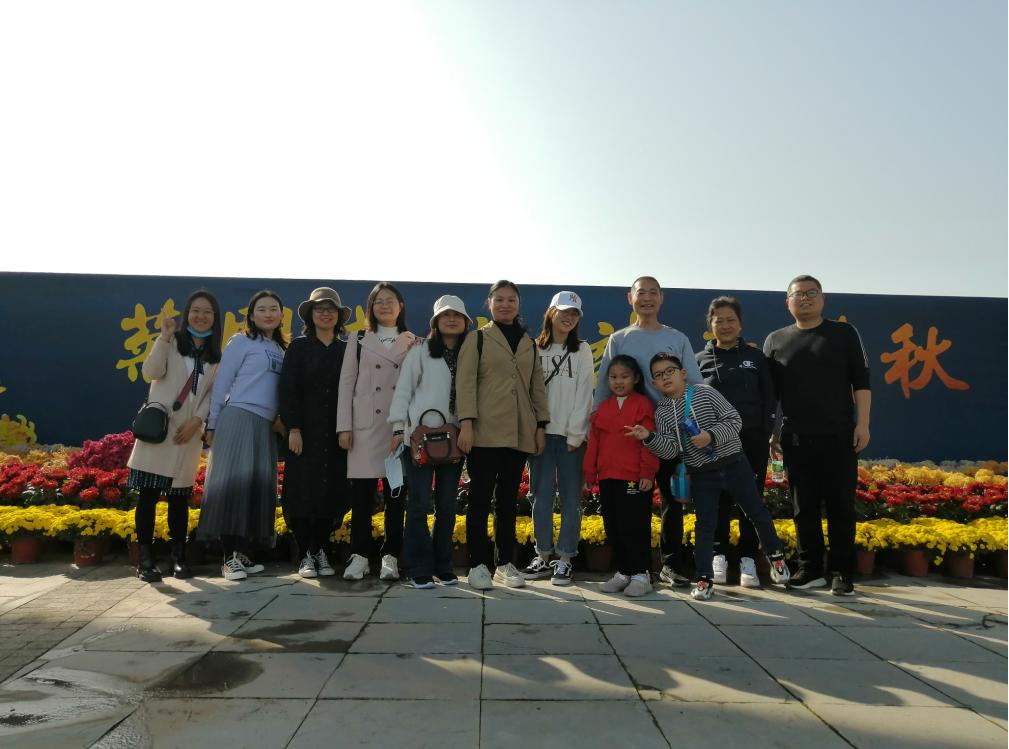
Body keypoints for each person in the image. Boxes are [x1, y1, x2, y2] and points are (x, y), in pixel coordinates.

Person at [627, 353, 791, 601]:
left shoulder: (705, 393)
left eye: (670, 371)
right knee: (704, 527)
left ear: (683, 373)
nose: (665, 377)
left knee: (756, 512)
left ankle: (776, 557)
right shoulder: (661, 413)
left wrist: (710, 436)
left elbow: (734, 420)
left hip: (734, 463)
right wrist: (648, 437)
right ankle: (704, 579)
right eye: (659, 375)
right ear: (654, 384)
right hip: (702, 474)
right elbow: (671, 450)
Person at [763, 275, 871, 596]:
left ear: (823, 299)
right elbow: (770, 396)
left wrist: (863, 424)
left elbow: (861, 382)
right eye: (798, 294)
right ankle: (810, 569)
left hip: (839, 434)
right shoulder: (776, 340)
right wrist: (773, 435)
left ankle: (841, 572)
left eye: (812, 293)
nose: (805, 298)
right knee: (803, 507)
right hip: (796, 437)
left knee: (841, 507)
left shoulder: (844, 333)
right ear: (788, 302)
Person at [593, 276, 703, 587]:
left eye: (653, 293)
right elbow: (604, 386)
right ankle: (628, 569)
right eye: (641, 293)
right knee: (628, 507)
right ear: (630, 298)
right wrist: (596, 426)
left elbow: (694, 383)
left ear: (661, 298)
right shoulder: (619, 339)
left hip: (670, 432)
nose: (647, 298)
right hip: (631, 436)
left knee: (671, 500)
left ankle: (670, 564)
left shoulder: (676, 338)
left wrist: (695, 423)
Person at [456, 280, 550, 590]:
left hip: (519, 431)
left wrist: (540, 426)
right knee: (480, 499)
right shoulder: (478, 338)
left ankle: (504, 563)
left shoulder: (528, 343)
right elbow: (466, 383)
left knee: (508, 501)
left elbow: (537, 386)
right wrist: (466, 424)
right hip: (484, 430)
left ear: (519, 304)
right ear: (489, 303)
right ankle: (477, 564)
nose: (505, 304)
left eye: (511, 300)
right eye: (500, 299)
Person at [127, 290, 222, 582]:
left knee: (179, 500)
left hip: (187, 435)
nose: (201, 316)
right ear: (187, 314)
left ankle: (178, 558)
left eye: (207, 312)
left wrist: (197, 421)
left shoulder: (215, 356)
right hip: (160, 431)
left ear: (215, 318)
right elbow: (151, 372)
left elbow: (213, 394)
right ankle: (145, 559)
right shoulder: (172, 343)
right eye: (196, 310)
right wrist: (164, 337)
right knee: (148, 497)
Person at [197, 289, 287, 581]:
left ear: (281, 314)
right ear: (251, 315)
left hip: (265, 425)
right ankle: (228, 559)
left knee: (255, 489)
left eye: (273, 309)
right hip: (238, 417)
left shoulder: (282, 349)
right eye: (261, 309)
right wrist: (212, 423)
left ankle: (242, 554)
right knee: (233, 488)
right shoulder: (241, 342)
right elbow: (222, 383)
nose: (268, 314)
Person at [388, 295, 472, 589]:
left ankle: (443, 565)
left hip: (456, 439)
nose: (452, 320)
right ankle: (418, 567)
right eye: (445, 315)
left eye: (457, 315)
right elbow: (404, 390)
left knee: (447, 505)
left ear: (466, 322)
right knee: (419, 503)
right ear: (435, 321)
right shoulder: (421, 351)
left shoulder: (470, 352)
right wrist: (398, 429)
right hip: (420, 439)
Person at [337, 282, 419, 581]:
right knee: (361, 499)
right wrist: (344, 426)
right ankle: (359, 556)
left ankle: (390, 556)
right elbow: (346, 383)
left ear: (401, 306)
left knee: (396, 498)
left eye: (390, 300)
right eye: (378, 301)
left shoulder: (415, 342)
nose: (384, 306)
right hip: (364, 428)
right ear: (370, 307)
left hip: (398, 430)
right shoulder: (358, 339)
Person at [695, 296, 776, 587]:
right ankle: (718, 555)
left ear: (740, 324)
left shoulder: (756, 358)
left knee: (750, 499)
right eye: (719, 321)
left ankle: (748, 558)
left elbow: (769, 398)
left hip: (751, 441)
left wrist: (766, 432)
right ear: (710, 325)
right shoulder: (699, 360)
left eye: (731, 320)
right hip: (712, 442)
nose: (726, 326)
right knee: (716, 499)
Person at [279, 287, 352, 579]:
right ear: (311, 315)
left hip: (335, 434)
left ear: (339, 316)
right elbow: (288, 390)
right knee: (301, 492)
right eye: (320, 309)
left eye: (331, 309)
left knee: (330, 492)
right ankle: (305, 553)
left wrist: (347, 427)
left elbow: (353, 392)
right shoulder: (298, 347)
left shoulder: (346, 350)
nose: (325, 313)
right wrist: (293, 427)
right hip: (304, 433)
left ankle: (321, 548)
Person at [521, 291, 594, 586]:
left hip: (570, 438)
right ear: (551, 313)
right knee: (540, 497)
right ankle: (542, 554)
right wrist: (533, 429)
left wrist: (576, 433)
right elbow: (527, 392)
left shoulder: (582, 349)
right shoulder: (533, 348)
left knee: (571, 499)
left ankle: (565, 559)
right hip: (540, 434)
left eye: (574, 314)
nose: (569, 317)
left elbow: (585, 393)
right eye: (564, 311)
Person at [583, 355, 659, 597]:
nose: (618, 381)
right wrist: (589, 474)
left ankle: (641, 574)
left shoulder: (643, 405)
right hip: (608, 477)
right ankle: (623, 572)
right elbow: (594, 444)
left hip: (633, 478)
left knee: (633, 525)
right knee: (613, 525)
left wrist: (647, 472)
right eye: (613, 377)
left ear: (635, 378)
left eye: (624, 376)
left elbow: (648, 442)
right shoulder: (603, 408)